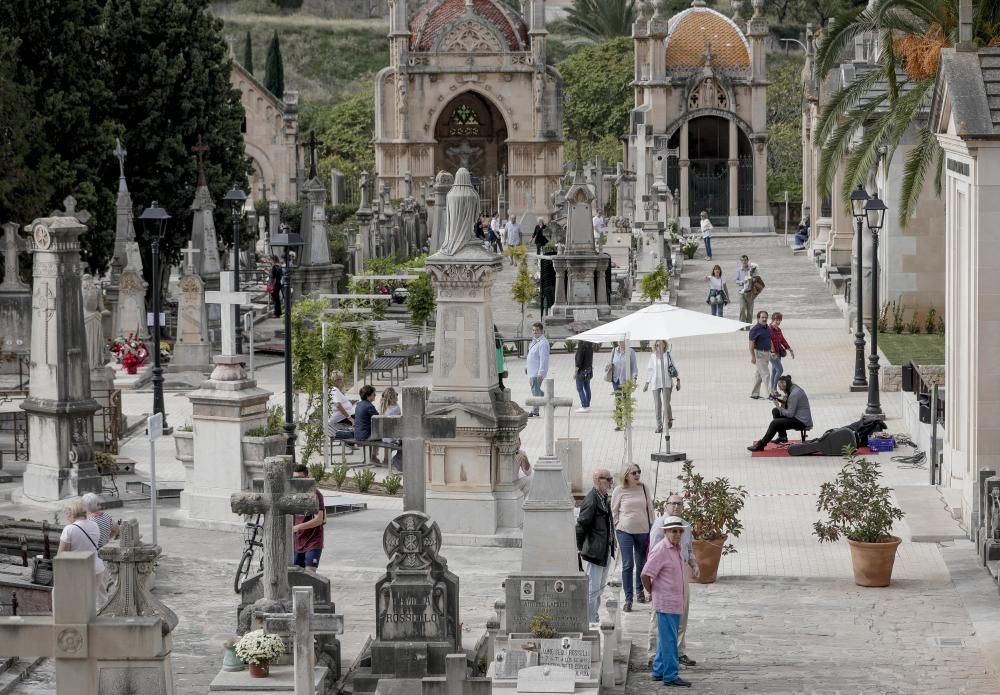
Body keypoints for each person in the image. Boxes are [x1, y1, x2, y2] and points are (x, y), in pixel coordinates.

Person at [647, 496, 699, 669]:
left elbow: (688, 549)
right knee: (659, 617)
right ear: (666, 505)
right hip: (664, 576)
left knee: (682, 614)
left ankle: (678, 651)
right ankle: (654, 654)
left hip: (681, 571)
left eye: (679, 504)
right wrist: (651, 587)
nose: (676, 506)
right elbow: (653, 556)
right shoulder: (660, 526)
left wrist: (694, 564)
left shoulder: (685, 526)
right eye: (673, 503)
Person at [641, 516, 693, 688]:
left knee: (666, 639)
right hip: (666, 602)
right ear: (665, 532)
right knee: (670, 640)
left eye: (679, 531)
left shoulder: (676, 548)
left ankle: (659, 670)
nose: (677, 534)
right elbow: (645, 574)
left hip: (675, 601)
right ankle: (670, 675)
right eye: (673, 531)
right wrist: (653, 591)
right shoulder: (661, 549)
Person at [611, 464, 655, 612]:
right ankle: (628, 599)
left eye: (639, 472)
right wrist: (617, 525)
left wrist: (652, 526)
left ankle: (639, 590)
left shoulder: (644, 487)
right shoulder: (619, 490)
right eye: (634, 473)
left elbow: (650, 507)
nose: (637, 475)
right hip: (625, 531)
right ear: (626, 475)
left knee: (641, 563)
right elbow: (614, 511)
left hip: (643, 530)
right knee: (628, 564)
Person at [576, 469, 616, 625]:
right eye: (609, 479)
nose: (611, 482)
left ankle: (593, 617)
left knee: (599, 587)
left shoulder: (603, 497)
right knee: (593, 588)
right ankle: (589, 620)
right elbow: (581, 524)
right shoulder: (592, 499)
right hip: (594, 551)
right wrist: (579, 546)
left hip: (604, 550)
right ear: (599, 480)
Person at [748, 375, 813, 451]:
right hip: (799, 416)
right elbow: (790, 404)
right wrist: (779, 401)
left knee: (774, 423)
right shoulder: (794, 388)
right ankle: (782, 437)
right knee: (775, 411)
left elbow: (790, 414)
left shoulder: (794, 394)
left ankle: (761, 444)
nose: (782, 391)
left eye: (782, 389)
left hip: (802, 421)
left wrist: (779, 407)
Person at [58, 500, 106, 604]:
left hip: (80, 570)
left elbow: (61, 555)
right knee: (93, 601)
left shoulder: (69, 529)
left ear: (71, 513)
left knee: (79, 603)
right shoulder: (94, 525)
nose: (66, 517)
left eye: (67, 514)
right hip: (97, 568)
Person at [291, 464, 326, 572]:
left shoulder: (315, 494)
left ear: (307, 478)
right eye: (295, 478)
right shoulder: (292, 494)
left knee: (310, 573)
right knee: (297, 574)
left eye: (301, 478)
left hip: (313, 540)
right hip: (297, 541)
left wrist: (299, 527)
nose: (298, 481)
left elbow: (319, 519)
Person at [645, 340, 680, 433]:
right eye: (657, 345)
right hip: (655, 383)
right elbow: (650, 370)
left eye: (660, 344)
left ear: (664, 345)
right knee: (657, 405)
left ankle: (669, 419)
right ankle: (659, 426)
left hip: (667, 382)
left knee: (666, 403)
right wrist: (647, 383)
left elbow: (674, 368)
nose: (658, 346)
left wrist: (678, 380)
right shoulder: (652, 356)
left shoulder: (668, 355)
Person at [609, 340, 638, 431]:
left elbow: (634, 367)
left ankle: (627, 422)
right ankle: (619, 424)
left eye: (623, 341)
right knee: (618, 401)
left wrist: (634, 378)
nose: (621, 343)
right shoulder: (614, 351)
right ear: (618, 342)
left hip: (626, 381)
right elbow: (610, 363)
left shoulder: (631, 352)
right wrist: (609, 367)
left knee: (626, 402)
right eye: (620, 341)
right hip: (616, 380)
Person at [768, 312, 795, 400]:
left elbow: (782, 340)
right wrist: (771, 352)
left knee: (775, 371)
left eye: (779, 320)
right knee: (780, 370)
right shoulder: (769, 330)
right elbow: (767, 341)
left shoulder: (778, 330)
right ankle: (774, 389)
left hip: (778, 353)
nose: (778, 322)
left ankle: (773, 389)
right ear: (772, 320)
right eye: (776, 320)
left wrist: (789, 348)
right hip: (772, 354)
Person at [526, 322, 550, 417]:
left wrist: (541, 372)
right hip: (531, 370)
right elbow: (530, 355)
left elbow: (543, 359)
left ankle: (535, 411)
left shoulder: (543, 343)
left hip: (536, 372)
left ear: (542, 331)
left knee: (535, 391)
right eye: (533, 330)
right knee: (536, 390)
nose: (535, 332)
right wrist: (526, 367)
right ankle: (551, 400)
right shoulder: (534, 341)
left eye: (537, 330)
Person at [748, 310, 773, 399]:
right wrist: (753, 357)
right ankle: (771, 394)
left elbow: (769, 340)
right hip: (759, 353)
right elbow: (751, 345)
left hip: (767, 353)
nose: (764, 319)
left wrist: (772, 352)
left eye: (766, 317)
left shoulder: (767, 327)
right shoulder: (754, 330)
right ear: (758, 318)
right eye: (762, 317)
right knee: (766, 374)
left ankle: (754, 394)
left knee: (759, 374)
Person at [354, 384, 381, 464]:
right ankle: (375, 457)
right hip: (365, 436)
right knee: (383, 435)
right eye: (373, 394)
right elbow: (379, 418)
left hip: (357, 434)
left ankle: (373, 457)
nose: (375, 395)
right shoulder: (369, 406)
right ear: (368, 395)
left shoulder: (359, 404)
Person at [327, 374, 356, 442]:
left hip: (343, 416)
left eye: (340, 379)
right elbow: (338, 405)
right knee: (362, 421)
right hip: (341, 417)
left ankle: (351, 439)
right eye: (337, 380)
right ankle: (349, 439)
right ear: (333, 381)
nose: (340, 381)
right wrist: (349, 418)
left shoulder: (336, 390)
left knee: (361, 420)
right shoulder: (334, 390)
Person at [380, 387, 402, 471]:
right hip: (392, 439)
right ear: (393, 397)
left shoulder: (385, 407)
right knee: (407, 441)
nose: (398, 396)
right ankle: (396, 461)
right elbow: (399, 426)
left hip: (385, 437)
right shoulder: (396, 409)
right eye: (396, 394)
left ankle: (387, 459)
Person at [734, 255, 760, 325]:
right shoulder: (738, 270)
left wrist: (752, 279)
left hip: (750, 292)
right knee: (742, 308)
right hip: (741, 292)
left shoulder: (752, 269)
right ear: (741, 261)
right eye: (742, 260)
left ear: (748, 260)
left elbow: (757, 279)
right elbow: (736, 280)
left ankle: (748, 325)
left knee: (750, 311)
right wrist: (742, 281)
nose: (744, 261)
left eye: (745, 260)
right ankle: (742, 325)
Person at [574, 340, 594, 413]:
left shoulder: (581, 348)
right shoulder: (589, 347)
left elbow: (578, 363)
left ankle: (584, 406)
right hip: (588, 370)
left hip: (581, 371)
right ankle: (587, 405)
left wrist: (575, 373)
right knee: (587, 387)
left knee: (579, 388)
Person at [495, 324, 508, 391]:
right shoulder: (499, 338)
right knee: (500, 377)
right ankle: (501, 386)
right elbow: (503, 344)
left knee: (496, 377)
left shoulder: (492, 339)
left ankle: (499, 387)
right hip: (500, 361)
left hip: (495, 361)